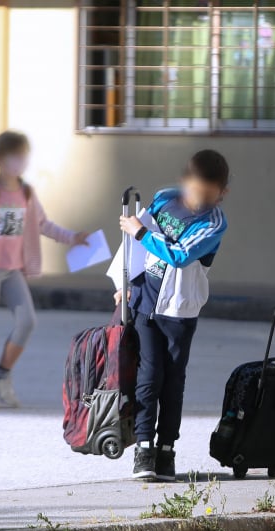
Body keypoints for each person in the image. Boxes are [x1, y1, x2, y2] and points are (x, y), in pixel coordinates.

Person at [0, 131, 90, 408]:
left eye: (24, 156)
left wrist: (73, 238)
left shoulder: (26, 193)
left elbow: (43, 225)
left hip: (12, 270)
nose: (21, 161)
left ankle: (0, 377)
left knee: (27, 321)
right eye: (15, 156)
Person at [118, 150, 230, 482]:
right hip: (144, 301)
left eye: (209, 195)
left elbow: (179, 256)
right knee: (148, 378)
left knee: (172, 383)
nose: (200, 200)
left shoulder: (213, 223)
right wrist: (122, 281)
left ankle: (167, 450)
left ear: (221, 192)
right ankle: (143, 448)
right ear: (186, 182)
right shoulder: (165, 198)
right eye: (196, 191)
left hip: (179, 310)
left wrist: (139, 232)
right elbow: (133, 243)